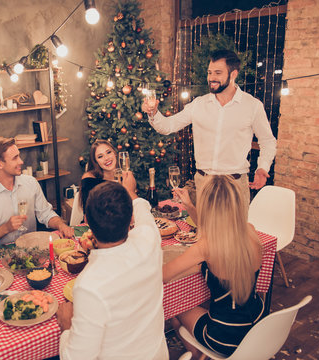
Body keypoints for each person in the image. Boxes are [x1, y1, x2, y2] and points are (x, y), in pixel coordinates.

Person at [142, 49, 277, 204]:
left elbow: (267, 141)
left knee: (234, 229)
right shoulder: (198, 104)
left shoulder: (252, 106)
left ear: (233, 74)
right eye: (209, 72)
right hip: (203, 184)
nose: (211, 78)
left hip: (235, 185)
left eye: (218, 73)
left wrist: (263, 167)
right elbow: (167, 126)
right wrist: (153, 113)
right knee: (203, 229)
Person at [57, 175, 169, 359]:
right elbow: (144, 213)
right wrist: (131, 192)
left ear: (87, 221)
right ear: (129, 217)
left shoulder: (88, 285)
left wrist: (66, 327)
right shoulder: (149, 240)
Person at [163, 176, 264, 358]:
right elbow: (218, 230)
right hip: (257, 326)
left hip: (225, 337)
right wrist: (189, 206)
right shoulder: (250, 229)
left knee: (175, 309)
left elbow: (164, 275)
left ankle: (196, 354)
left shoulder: (206, 246)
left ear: (207, 207)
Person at [0, 137, 74, 249]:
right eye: (15, 158)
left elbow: (46, 214)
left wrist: (61, 225)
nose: (21, 161)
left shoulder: (31, 183)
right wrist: (5, 228)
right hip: (0, 258)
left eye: (19, 155)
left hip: (33, 252)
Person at [79, 139, 118, 210]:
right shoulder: (89, 180)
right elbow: (89, 213)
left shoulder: (125, 176)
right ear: (96, 162)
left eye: (108, 152)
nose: (106, 158)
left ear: (114, 153)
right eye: (100, 156)